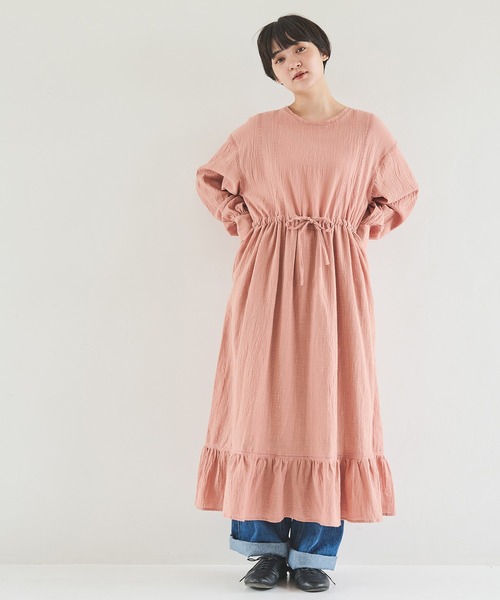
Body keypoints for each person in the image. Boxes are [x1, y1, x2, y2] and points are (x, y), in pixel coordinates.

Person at [194, 13, 419, 593]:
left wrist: (359, 227)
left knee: (331, 402)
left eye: (298, 48)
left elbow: (402, 191)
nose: (291, 62)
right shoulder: (256, 132)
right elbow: (211, 180)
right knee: (259, 403)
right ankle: (264, 550)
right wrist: (243, 218)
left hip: (337, 281)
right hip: (264, 276)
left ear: (322, 52)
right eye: (277, 58)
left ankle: (315, 554)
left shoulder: (367, 131)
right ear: (272, 73)